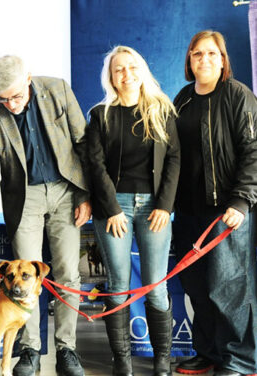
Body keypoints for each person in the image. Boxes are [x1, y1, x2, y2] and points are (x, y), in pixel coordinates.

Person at [0, 55, 90, 376]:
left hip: (66, 190)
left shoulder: (58, 90)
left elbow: (84, 143)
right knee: (24, 277)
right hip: (25, 199)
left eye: (16, 96)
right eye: (3, 99)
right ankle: (30, 349)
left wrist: (85, 195)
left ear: (29, 80)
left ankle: (67, 350)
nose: (10, 104)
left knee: (67, 273)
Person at [87, 46, 180, 376]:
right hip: (115, 210)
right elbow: (95, 165)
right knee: (119, 284)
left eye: (131, 67)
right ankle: (122, 362)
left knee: (156, 286)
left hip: (154, 208)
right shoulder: (101, 115)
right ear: (110, 77)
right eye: (118, 70)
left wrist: (165, 206)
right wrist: (111, 208)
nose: (126, 74)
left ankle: (162, 362)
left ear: (142, 70)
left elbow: (173, 160)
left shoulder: (162, 109)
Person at [172, 30, 257, 376]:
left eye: (211, 54)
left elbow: (254, 152)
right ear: (189, 62)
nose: (204, 60)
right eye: (197, 54)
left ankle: (239, 359)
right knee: (197, 287)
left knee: (230, 288)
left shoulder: (239, 96)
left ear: (223, 60)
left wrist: (241, 201)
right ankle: (208, 352)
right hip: (189, 212)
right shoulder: (182, 100)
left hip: (228, 211)